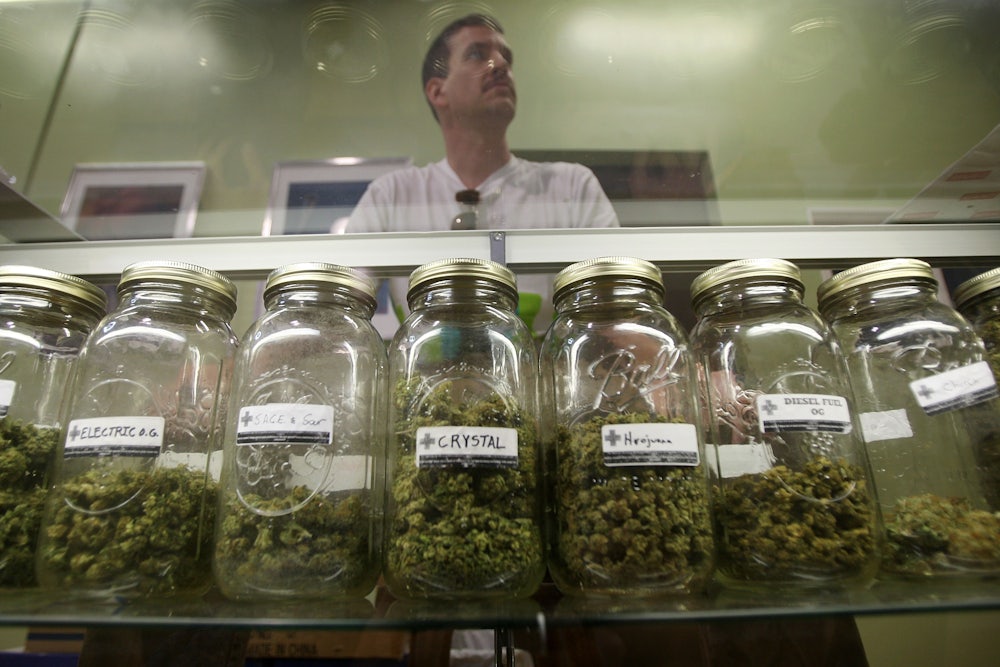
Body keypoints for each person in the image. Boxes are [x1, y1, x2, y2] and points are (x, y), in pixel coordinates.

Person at [346, 13, 619, 334]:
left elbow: (616, 306)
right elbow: (338, 301)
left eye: (506, 56)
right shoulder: (392, 195)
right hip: (423, 382)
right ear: (438, 92)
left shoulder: (573, 186)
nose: (501, 64)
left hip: (540, 380)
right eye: (477, 54)